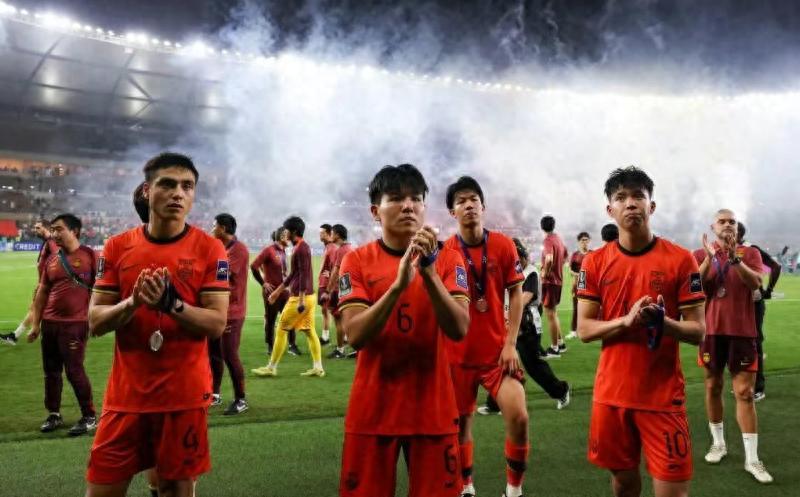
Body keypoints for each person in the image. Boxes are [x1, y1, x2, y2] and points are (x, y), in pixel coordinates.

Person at [86, 152, 230, 497]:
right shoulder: (117, 246)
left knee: (174, 489)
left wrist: (172, 305)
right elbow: (95, 322)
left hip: (183, 398)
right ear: (147, 191)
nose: (178, 193)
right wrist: (133, 302)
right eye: (167, 184)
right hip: (125, 397)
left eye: (187, 186)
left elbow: (216, 323)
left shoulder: (210, 249)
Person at [337, 164, 469, 497]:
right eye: (396, 198)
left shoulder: (449, 259)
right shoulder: (356, 261)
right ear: (375, 211)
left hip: (433, 410)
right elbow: (354, 335)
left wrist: (430, 275)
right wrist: (396, 288)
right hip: (373, 410)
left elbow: (459, 328)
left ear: (424, 206)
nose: (408, 206)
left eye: (415, 198)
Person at [577, 166, 706, 497]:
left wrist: (664, 323)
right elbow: (584, 329)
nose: (631, 203)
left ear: (652, 205)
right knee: (623, 483)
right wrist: (626, 321)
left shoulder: (681, 260)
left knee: (673, 492)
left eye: (638, 196)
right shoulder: (594, 262)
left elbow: (698, 331)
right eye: (621, 197)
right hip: (611, 395)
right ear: (610, 210)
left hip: (662, 397)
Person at [443, 176, 528, 497]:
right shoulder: (446, 251)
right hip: (457, 356)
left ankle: (514, 491)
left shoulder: (503, 245)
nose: (468, 205)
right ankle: (466, 486)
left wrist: (511, 343)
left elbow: (516, 294)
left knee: (519, 416)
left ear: (483, 206)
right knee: (460, 427)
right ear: (452, 212)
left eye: (473, 199)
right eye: (461, 201)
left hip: (496, 354)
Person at [694, 210, 772, 483]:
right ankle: (719, 444)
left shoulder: (750, 253)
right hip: (711, 332)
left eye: (732, 221)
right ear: (713, 226)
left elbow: (756, 283)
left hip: (742, 331)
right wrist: (710, 258)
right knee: (712, 386)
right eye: (722, 221)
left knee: (745, 393)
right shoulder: (699, 253)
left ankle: (752, 459)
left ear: (737, 228)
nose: (728, 225)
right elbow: (695, 287)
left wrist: (734, 258)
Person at [478, 238, 571, 416]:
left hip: (527, 326)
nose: (516, 261)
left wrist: (506, 315)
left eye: (517, 257)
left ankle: (561, 390)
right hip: (509, 323)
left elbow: (525, 298)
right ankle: (496, 403)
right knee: (501, 362)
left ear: (522, 255)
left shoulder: (531, 273)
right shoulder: (507, 271)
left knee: (533, 365)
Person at [27, 213, 97, 435]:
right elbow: (42, 292)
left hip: (75, 324)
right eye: (53, 230)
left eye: (59, 229)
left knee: (74, 371)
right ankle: (54, 414)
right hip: (50, 324)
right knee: (51, 372)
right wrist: (36, 324)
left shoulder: (90, 256)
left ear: (74, 231)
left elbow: (101, 289)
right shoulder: (52, 260)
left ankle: (89, 416)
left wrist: (95, 318)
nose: (54, 234)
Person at [257, 216, 325, 377]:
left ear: (293, 231)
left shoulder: (301, 249)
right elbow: (293, 274)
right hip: (308, 296)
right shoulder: (299, 247)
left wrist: (300, 300)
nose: (284, 232)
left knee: (281, 329)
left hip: (300, 298)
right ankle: (318, 368)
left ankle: (271, 367)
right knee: (310, 331)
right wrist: (277, 292)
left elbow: (303, 275)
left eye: (286, 230)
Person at [209, 213, 249, 415]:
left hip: (232, 311)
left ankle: (241, 399)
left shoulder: (238, 250)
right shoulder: (223, 248)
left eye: (214, 225)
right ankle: (214, 394)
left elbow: (221, 276)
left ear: (223, 228)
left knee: (229, 355)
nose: (211, 229)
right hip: (218, 309)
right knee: (214, 353)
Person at [736, 223, 781, 401]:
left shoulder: (751, 249)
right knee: (738, 343)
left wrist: (768, 290)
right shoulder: (726, 250)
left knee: (754, 343)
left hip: (753, 303)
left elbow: (776, 266)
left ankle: (758, 387)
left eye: (731, 229)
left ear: (739, 234)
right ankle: (744, 383)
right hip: (735, 304)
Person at [1, 220, 58, 345]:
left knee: (37, 309)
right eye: (35, 227)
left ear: (46, 228)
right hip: (44, 283)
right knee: (34, 309)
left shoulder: (51, 242)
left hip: (47, 285)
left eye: (38, 228)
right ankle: (14, 336)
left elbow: (57, 258)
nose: (35, 230)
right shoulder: (48, 241)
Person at [250, 227, 297, 364]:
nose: (289, 238)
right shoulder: (268, 250)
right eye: (286, 235)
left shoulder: (283, 251)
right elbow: (254, 266)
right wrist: (263, 283)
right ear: (280, 237)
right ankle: (270, 346)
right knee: (271, 320)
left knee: (289, 318)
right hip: (271, 293)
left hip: (284, 292)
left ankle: (292, 345)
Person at [540, 215, 569, 358]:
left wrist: (545, 273)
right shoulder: (558, 239)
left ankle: (554, 348)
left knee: (550, 314)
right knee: (554, 313)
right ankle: (561, 344)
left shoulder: (548, 240)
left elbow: (549, 259)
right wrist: (558, 268)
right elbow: (565, 256)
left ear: (542, 227)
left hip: (550, 282)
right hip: (558, 281)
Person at [326, 224, 355, 359]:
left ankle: (340, 350)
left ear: (337, 235)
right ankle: (355, 347)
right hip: (350, 287)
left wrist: (328, 290)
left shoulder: (341, 250)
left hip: (341, 287)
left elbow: (336, 271)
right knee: (348, 318)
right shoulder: (351, 248)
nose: (330, 235)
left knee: (338, 320)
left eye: (332, 233)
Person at [568, 232, 592, 339]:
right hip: (578, 284)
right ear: (579, 242)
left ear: (589, 241)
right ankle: (573, 331)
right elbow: (570, 270)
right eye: (582, 240)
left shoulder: (593, 254)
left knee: (592, 308)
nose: (585, 242)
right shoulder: (575, 255)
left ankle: (590, 329)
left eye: (586, 240)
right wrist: (579, 275)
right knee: (576, 308)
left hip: (591, 285)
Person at [318, 223, 337, 345]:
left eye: (322, 233)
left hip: (327, 285)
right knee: (326, 311)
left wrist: (330, 275)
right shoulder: (327, 247)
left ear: (329, 234)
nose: (320, 235)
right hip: (324, 284)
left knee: (333, 311)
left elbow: (337, 266)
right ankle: (326, 336)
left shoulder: (332, 248)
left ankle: (326, 338)